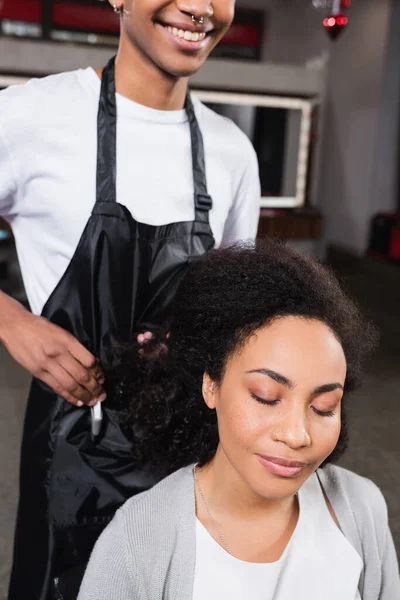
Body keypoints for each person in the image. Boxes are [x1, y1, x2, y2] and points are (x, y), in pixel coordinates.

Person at [0, 0, 260, 597]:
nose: (199, 7)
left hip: (191, 454)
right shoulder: (31, 118)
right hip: (72, 457)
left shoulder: (230, 152)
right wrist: (13, 321)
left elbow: (238, 315)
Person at [78, 239, 399, 600]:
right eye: (266, 397)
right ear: (211, 385)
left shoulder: (360, 508)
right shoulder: (137, 541)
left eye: (324, 406)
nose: (297, 435)